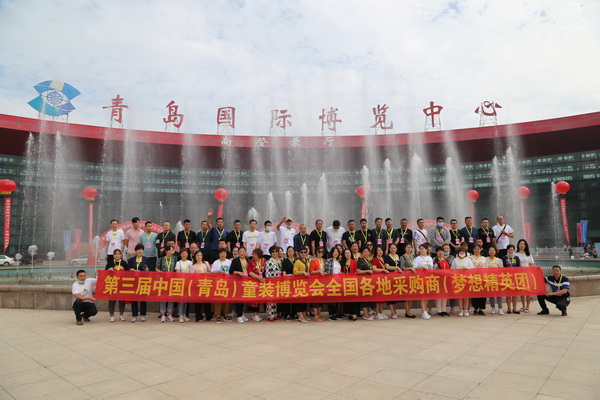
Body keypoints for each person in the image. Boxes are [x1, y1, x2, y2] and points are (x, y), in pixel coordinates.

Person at [105, 249, 129, 322]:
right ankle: (111, 315)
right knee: (111, 301)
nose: (117, 255)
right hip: (112, 284)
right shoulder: (110, 263)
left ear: (121, 255)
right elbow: (105, 273)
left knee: (121, 301)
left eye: (118, 254)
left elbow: (129, 273)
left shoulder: (124, 263)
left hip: (121, 284)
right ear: (113, 255)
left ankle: (121, 315)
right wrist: (109, 270)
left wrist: (124, 270)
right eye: (115, 254)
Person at [128, 244, 149, 322]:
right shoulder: (131, 260)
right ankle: (134, 315)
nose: (140, 251)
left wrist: (147, 270)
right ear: (135, 251)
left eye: (141, 250)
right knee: (134, 299)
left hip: (143, 281)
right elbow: (127, 269)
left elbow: (150, 270)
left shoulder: (146, 259)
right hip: (134, 281)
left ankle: (143, 315)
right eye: (138, 250)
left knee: (143, 298)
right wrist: (130, 270)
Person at [452, 245, 474, 316]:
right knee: (460, 296)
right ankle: (461, 310)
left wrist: (467, 268)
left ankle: (466, 310)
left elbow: (472, 269)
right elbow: (452, 268)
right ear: (458, 252)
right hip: (458, 280)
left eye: (463, 252)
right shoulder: (455, 260)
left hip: (466, 279)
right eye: (460, 251)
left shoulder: (468, 260)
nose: (462, 253)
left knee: (466, 296)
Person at [190, 251, 213, 322]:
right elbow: (191, 276)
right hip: (197, 285)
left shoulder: (206, 263)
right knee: (198, 302)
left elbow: (210, 272)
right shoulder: (193, 266)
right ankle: (199, 317)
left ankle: (209, 316)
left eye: (200, 255)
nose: (199, 257)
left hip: (206, 284)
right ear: (195, 257)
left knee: (207, 301)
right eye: (197, 255)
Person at [211, 248, 233, 323]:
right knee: (218, 299)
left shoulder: (229, 262)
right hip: (218, 283)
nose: (223, 255)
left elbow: (231, 272)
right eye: (221, 253)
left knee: (227, 299)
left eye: (224, 253)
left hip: (227, 282)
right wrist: (219, 271)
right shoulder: (216, 262)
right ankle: (218, 315)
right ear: (219, 254)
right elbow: (212, 272)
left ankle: (226, 314)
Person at [157, 245, 177, 322]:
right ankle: (163, 314)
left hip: (172, 280)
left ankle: (169, 314)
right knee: (163, 297)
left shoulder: (174, 259)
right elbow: (156, 268)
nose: (171, 252)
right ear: (166, 251)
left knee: (170, 298)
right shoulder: (161, 259)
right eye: (170, 250)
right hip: (163, 280)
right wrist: (161, 272)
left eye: (172, 250)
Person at [414, 243, 434, 319]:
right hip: (421, 279)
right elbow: (414, 268)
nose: (421, 250)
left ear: (426, 250)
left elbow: (431, 268)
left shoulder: (430, 258)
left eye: (423, 249)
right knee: (422, 295)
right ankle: (423, 311)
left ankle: (425, 311)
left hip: (429, 278)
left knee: (427, 295)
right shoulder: (417, 259)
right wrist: (421, 266)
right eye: (420, 249)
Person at [230, 247, 250, 323]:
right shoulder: (235, 260)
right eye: (240, 251)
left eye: (243, 251)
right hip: (238, 282)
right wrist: (238, 272)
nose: (242, 253)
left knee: (244, 299)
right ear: (238, 253)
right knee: (239, 299)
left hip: (246, 282)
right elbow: (231, 271)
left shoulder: (247, 260)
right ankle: (238, 316)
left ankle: (242, 314)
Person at [515, 239, 535, 312]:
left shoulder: (528, 254)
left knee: (528, 290)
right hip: (519, 275)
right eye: (521, 244)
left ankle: (527, 306)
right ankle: (523, 306)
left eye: (523, 244)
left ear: (526, 245)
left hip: (527, 274)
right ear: (518, 245)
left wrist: (531, 274)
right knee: (522, 290)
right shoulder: (515, 254)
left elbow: (531, 264)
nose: (522, 245)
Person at [324, 246, 343, 321]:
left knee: (337, 298)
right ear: (331, 253)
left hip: (338, 282)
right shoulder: (329, 261)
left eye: (337, 252)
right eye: (334, 251)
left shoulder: (339, 261)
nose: (336, 253)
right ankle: (331, 314)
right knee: (331, 299)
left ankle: (336, 313)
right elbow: (327, 272)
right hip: (331, 282)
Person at [356, 246, 375, 321]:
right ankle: (365, 314)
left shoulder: (369, 260)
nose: (366, 253)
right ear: (362, 253)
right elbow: (358, 271)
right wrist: (367, 271)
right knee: (363, 298)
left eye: (367, 251)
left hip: (368, 283)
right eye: (364, 252)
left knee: (367, 298)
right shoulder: (360, 260)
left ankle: (367, 313)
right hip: (363, 282)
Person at [264, 245, 282, 322]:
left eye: (276, 251)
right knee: (270, 300)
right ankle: (269, 315)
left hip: (278, 282)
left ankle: (274, 315)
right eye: (273, 252)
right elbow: (267, 273)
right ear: (271, 253)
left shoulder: (280, 260)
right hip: (271, 282)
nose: (275, 253)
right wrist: (270, 282)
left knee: (275, 299)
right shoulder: (269, 261)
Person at [371, 245, 390, 319]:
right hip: (377, 280)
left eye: (381, 250)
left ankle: (381, 312)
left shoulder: (384, 258)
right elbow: (374, 269)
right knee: (378, 297)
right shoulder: (375, 259)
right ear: (376, 252)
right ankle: (377, 312)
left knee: (382, 297)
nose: (380, 252)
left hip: (383, 280)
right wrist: (383, 270)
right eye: (378, 250)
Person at [293, 247, 311, 323]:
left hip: (306, 283)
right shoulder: (297, 261)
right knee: (300, 299)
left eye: (305, 252)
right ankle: (300, 315)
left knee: (304, 299)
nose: (303, 254)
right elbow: (295, 271)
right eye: (302, 252)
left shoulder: (307, 261)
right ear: (299, 253)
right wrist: (303, 272)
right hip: (299, 282)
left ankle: (304, 314)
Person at [399, 243, 417, 318]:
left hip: (413, 278)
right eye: (407, 247)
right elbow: (402, 268)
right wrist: (410, 268)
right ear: (405, 248)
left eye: (410, 247)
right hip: (406, 278)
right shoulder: (402, 257)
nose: (409, 249)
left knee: (411, 295)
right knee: (407, 296)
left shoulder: (413, 256)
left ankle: (409, 310)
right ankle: (407, 311)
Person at [174, 248, 193, 322]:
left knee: (186, 300)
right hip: (181, 283)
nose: (184, 255)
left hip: (188, 283)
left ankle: (184, 314)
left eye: (185, 253)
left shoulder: (190, 263)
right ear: (180, 254)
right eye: (182, 253)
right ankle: (180, 315)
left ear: (187, 254)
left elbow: (192, 273)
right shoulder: (178, 263)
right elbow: (177, 273)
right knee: (181, 300)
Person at [502, 244, 521, 314]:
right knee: (508, 294)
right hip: (507, 278)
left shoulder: (516, 258)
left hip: (515, 277)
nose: (510, 251)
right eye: (509, 250)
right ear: (507, 250)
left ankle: (515, 308)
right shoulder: (504, 258)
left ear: (514, 250)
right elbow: (502, 268)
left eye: (512, 250)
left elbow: (519, 268)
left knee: (515, 294)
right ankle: (509, 308)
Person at [341, 248, 359, 321]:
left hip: (353, 282)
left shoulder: (355, 261)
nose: (347, 254)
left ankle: (354, 314)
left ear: (351, 254)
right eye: (346, 253)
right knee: (348, 298)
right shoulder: (343, 262)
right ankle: (350, 313)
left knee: (354, 298)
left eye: (348, 253)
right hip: (345, 283)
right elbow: (342, 271)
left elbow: (356, 271)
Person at [384, 243, 402, 319]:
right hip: (390, 278)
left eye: (394, 248)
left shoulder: (398, 256)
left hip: (397, 278)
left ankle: (395, 310)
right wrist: (396, 268)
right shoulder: (387, 257)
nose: (393, 249)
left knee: (395, 295)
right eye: (391, 248)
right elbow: (387, 267)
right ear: (389, 249)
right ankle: (392, 312)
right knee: (390, 295)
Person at [309, 246, 327, 322]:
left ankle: (319, 314)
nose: (320, 253)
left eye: (322, 252)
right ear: (316, 252)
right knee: (315, 299)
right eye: (319, 252)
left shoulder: (324, 260)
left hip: (323, 282)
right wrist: (318, 271)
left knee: (321, 299)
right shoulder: (313, 261)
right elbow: (311, 271)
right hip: (315, 282)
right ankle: (316, 315)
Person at [470, 245, 488, 315]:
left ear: (481, 250)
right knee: (475, 293)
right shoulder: (470, 258)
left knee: (483, 293)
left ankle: (481, 309)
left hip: (483, 278)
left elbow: (486, 268)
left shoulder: (484, 258)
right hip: (474, 278)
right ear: (473, 250)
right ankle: (475, 308)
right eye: (475, 249)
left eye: (478, 249)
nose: (477, 250)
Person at [433, 246, 451, 317]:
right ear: (436, 253)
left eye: (441, 251)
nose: (440, 253)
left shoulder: (447, 259)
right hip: (438, 279)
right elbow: (434, 270)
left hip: (446, 279)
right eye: (438, 251)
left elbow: (450, 267)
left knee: (445, 294)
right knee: (439, 295)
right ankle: (439, 310)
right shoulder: (434, 260)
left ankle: (444, 310)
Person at [486, 246, 504, 315]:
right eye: (490, 250)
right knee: (491, 294)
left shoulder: (499, 260)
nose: (492, 251)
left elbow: (501, 270)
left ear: (495, 252)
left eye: (493, 250)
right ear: (488, 252)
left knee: (499, 294)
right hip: (488, 279)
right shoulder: (485, 259)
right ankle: (493, 307)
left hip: (497, 279)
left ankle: (500, 308)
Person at [280, 246, 296, 321]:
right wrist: (285, 280)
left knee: (295, 298)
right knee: (288, 298)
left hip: (296, 282)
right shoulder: (285, 261)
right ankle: (287, 314)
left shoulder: (297, 260)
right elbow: (284, 272)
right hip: (288, 281)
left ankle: (294, 313)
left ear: (294, 252)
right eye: (289, 251)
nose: (290, 253)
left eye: (291, 251)